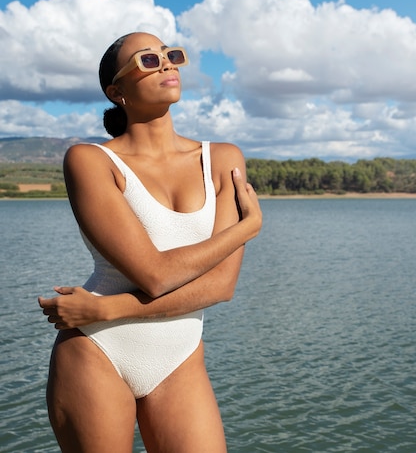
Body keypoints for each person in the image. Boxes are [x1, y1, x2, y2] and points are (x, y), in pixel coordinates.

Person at [38, 31, 262, 453]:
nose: (166, 64)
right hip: (98, 349)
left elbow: (221, 286)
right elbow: (156, 275)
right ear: (116, 91)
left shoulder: (224, 159)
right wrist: (245, 229)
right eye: (147, 60)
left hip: (179, 356)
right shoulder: (90, 160)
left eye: (170, 55)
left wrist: (107, 306)